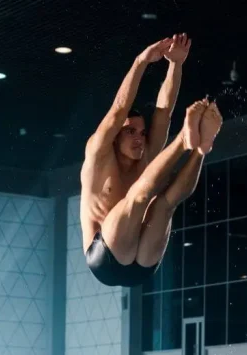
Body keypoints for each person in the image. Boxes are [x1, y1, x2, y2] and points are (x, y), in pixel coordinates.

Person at [80, 34, 222, 287]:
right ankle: (183, 142)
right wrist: (141, 61)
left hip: (144, 265)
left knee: (165, 203)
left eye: (142, 132)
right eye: (130, 132)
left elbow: (164, 112)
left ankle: (201, 148)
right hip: (105, 258)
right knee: (138, 197)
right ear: (114, 137)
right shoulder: (99, 153)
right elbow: (118, 110)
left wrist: (175, 65)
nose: (139, 138)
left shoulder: (145, 153)